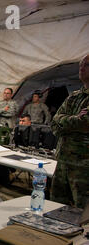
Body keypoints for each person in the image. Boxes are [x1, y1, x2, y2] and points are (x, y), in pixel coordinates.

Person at [50, 54, 89, 209]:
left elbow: (85, 123)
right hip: (63, 160)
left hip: (84, 165)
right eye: (81, 64)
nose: (81, 67)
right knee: (55, 206)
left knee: (83, 211)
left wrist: (64, 120)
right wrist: (72, 120)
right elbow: (53, 123)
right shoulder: (74, 97)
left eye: (86, 65)